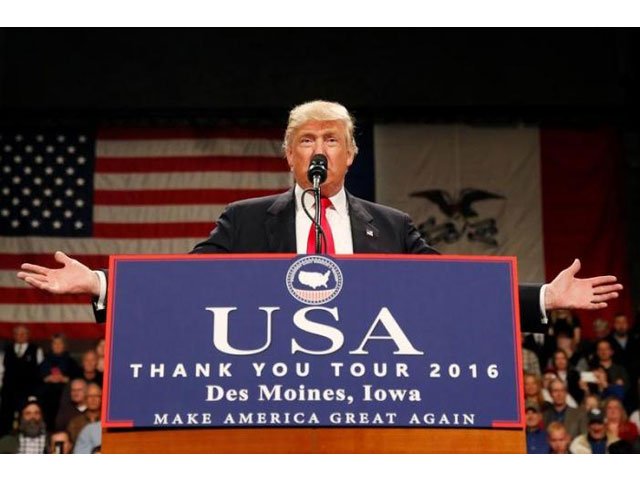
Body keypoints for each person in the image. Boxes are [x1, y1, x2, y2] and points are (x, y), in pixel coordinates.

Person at [16, 100, 623, 329]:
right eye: (307, 140)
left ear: (351, 154)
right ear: (288, 155)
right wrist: (97, 282)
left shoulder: (391, 227)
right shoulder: (246, 220)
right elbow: (185, 285)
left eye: (332, 139)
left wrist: (541, 297)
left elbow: (453, 290)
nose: (319, 149)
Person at [0, 325, 44, 436]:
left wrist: (35, 394)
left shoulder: (36, 350)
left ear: (28, 335)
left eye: (23, 333)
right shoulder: (7, 351)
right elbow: (1, 372)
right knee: (6, 420)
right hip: (9, 393)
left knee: (27, 419)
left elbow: (40, 374)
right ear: (14, 336)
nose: (20, 336)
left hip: (28, 393)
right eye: (17, 334)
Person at [38, 333, 80, 431]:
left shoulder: (71, 362)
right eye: (54, 343)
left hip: (65, 398)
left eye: (59, 343)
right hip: (47, 400)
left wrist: (65, 379)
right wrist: (47, 379)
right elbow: (36, 379)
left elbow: (78, 379)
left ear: (64, 345)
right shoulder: (44, 362)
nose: (57, 346)